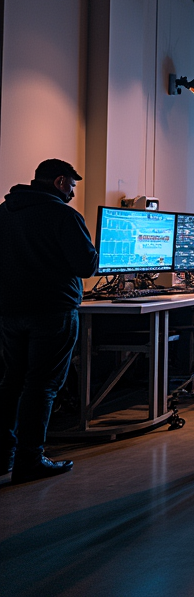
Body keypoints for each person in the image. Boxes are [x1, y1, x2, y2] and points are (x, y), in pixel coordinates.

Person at [0, 159, 98, 484]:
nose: (72, 193)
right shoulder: (64, 215)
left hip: (8, 312)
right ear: (59, 182)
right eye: (72, 186)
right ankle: (30, 460)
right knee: (42, 386)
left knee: (11, 382)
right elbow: (86, 266)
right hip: (53, 312)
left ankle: (4, 457)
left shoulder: (5, 212)